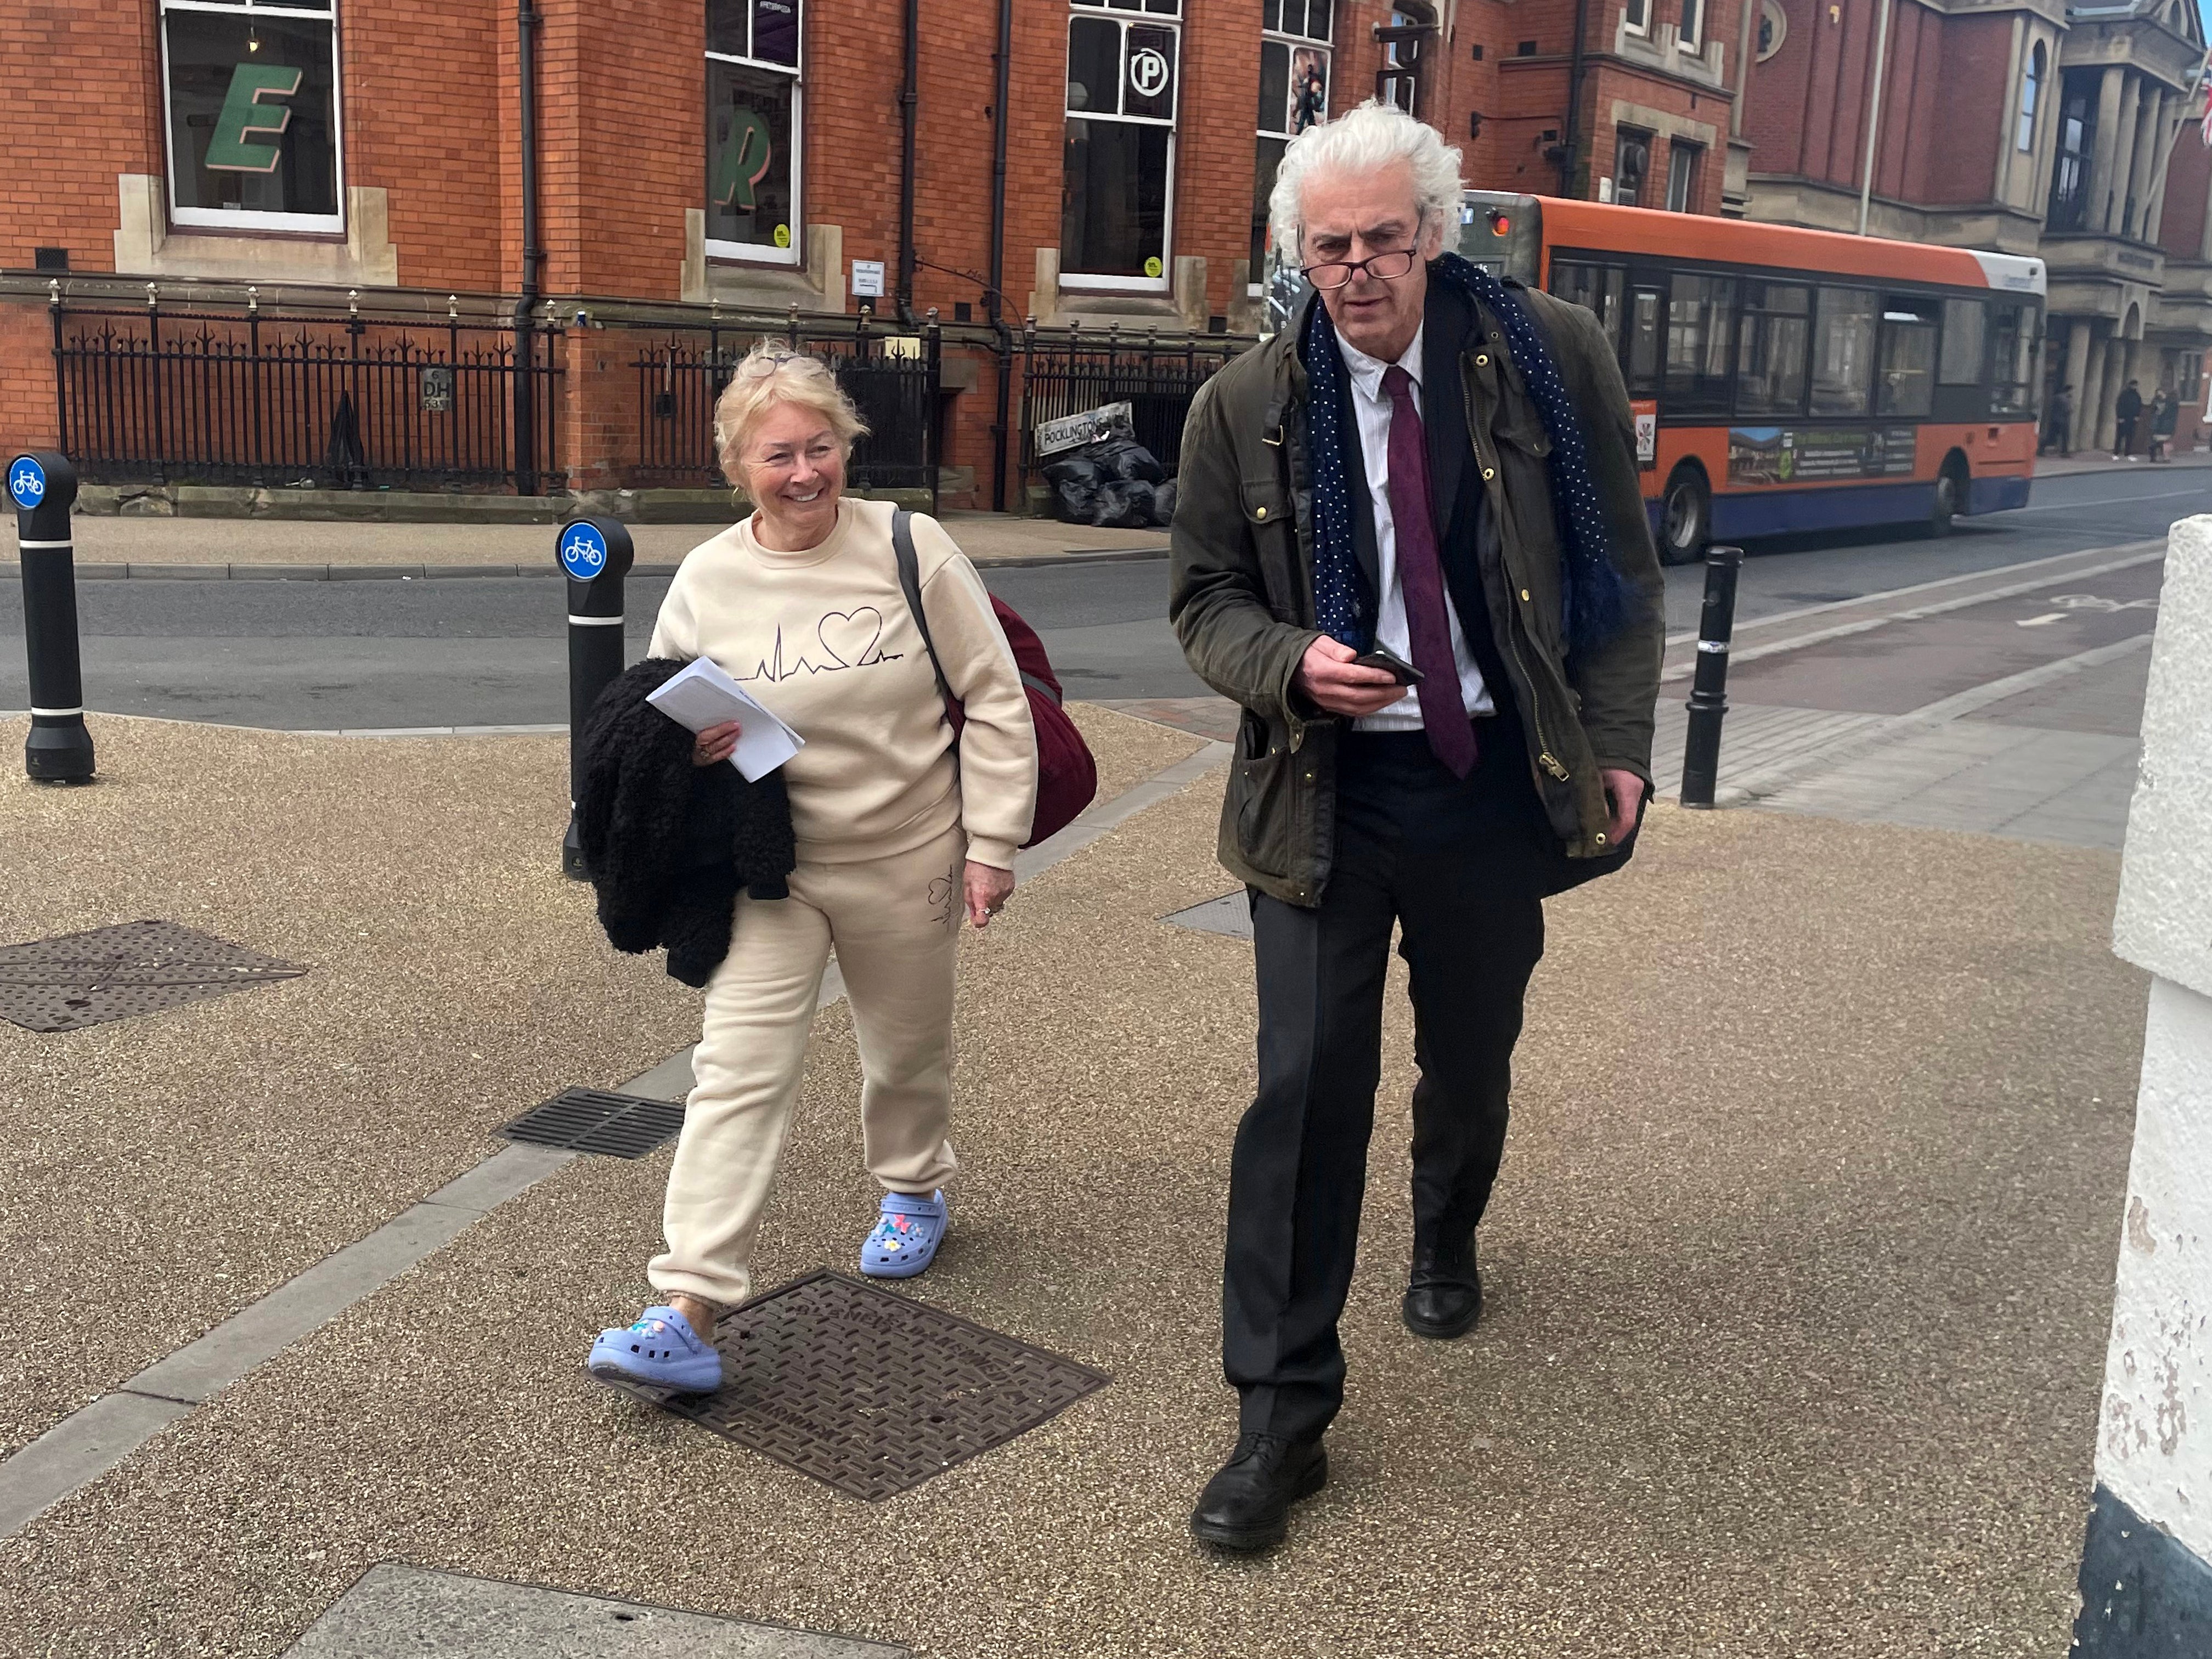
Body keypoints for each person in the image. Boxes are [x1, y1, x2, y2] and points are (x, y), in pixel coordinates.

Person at [1170, 102, 1663, 1550]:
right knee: (1306, 1092)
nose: (1362, 269)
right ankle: (1278, 1419)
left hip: (1489, 781)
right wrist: (1289, 667)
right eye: (1332, 247)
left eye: (1388, 237)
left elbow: (1617, 577)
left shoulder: (1546, 357)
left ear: (1439, 230)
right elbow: (1203, 603)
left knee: (1471, 1050)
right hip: (1322, 788)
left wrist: (1622, 749)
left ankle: (1447, 1227)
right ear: (1297, 253)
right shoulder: (1243, 406)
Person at [586, 347, 1037, 1394]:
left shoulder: (909, 546)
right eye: (777, 453)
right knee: (734, 1069)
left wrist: (993, 844)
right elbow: (653, 709)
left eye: (820, 446)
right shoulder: (706, 577)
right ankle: (688, 1302)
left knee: (903, 1051)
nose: (803, 472)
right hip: (770, 868)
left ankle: (915, 1186)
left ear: (847, 445)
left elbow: (996, 694)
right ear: (737, 464)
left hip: (907, 851)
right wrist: (682, 748)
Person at [2115, 379, 2142, 460]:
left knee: (2130, 436)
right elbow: (2120, 405)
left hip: (2132, 418)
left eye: (2136, 385)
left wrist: (2137, 416)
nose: (2135, 387)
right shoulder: (2124, 394)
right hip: (2124, 418)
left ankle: (2128, 452)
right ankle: (2116, 452)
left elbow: (2139, 406)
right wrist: (2120, 417)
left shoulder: (2137, 395)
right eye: (2134, 385)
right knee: (2120, 436)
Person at [2148, 386, 2177, 463]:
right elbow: (2152, 411)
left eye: (2160, 391)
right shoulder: (2156, 401)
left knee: (2165, 442)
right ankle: (2154, 457)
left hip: (2165, 425)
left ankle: (2166, 458)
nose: (2158, 393)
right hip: (2156, 424)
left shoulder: (2171, 402)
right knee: (2154, 442)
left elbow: (2172, 415)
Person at [2044, 384, 2073, 458]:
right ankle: (2064, 453)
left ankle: (2041, 448)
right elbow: (2067, 410)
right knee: (2065, 437)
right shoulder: (2065, 399)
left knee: (2051, 435)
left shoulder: (2056, 397)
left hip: (2054, 419)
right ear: (2068, 391)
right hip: (2062, 420)